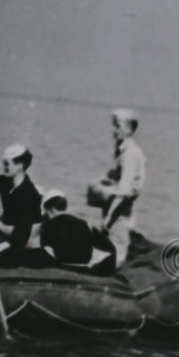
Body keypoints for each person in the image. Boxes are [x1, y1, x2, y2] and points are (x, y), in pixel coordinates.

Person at [92, 109, 146, 266]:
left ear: (129, 129)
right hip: (118, 212)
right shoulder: (122, 150)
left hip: (119, 214)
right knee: (112, 249)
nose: (113, 130)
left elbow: (124, 190)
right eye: (113, 125)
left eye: (117, 126)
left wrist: (109, 217)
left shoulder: (130, 154)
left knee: (116, 253)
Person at [24, 189, 116, 274]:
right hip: (83, 266)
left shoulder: (48, 224)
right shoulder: (86, 224)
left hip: (61, 266)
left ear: (50, 209)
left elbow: (31, 245)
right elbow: (109, 248)